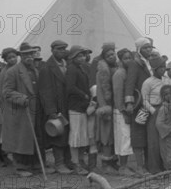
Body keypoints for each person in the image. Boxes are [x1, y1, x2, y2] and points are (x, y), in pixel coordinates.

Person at [1, 42, 45, 177]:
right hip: (20, 111)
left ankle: (35, 165)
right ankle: (20, 167)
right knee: (20, 139)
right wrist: (21, 98)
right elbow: (7, 92)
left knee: (35, 137)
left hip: (35, 110)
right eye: (26, 54)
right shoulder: (12, 71)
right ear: (21, 55)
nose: (29, 57)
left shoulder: (34, 70)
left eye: (31, 54)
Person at [38, 40, 73, 174]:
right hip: (56, 107)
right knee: (58, 135)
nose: (62, 51)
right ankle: (59, 163)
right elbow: (45, 91)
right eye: (59, 49)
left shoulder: (66, 64)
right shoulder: (47, 68)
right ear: (52, 50)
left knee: (68, 134)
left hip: (67, 105)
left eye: (64, 49)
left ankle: (68, 161)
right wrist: (51, 111)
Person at [124, 37, 153, 175]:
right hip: (140, 104)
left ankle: (149, 165)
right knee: (138, 134)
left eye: (150, 47)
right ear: (139, 49)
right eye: (146, 47)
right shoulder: (135, 64)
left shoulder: (150, 62)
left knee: (149, 134)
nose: (149, 50)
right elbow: (130, 82)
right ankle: (140, 166)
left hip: (151, 102)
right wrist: (129, 102)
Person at [141, 53, 171, 173]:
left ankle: (166, 166)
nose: (162, 70)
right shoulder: (148, 82)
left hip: (166, 110)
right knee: (153, 141)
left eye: (164, 67)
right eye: (160, 68)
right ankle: (154, 168)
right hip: (153, 111)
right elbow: (144, 100)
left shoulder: (167, 80)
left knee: (165, 139)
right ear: (154, 69)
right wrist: (153, 111)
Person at [65, 45, 92, 175]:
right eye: (79, 56)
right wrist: (83, 95)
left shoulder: (81, 68)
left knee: (82, 135)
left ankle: (81, 160)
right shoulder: (71, 69)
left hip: (82, 106)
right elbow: (70, 87)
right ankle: (75, 162)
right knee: (75, 135)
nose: (82, 58)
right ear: (73, 57)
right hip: (75, 106)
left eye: (83, 55)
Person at [96, 43, 119, 174]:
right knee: (106, 136)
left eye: (113, 54)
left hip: (114, 105)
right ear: (104, 57)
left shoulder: (115, 67)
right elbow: (101, 90)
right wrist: (104, 106)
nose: (112, 56)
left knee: (113, 134)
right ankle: (105, 163)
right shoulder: (102, 71)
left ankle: (113, 161)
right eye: (108, 55)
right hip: (106, 105)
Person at [112, 48, 135, 176]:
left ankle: (124, 165)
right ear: (120, 60)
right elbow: (118, 94)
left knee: (126, 136)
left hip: (125, 110)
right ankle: (123, 166)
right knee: (123, 137)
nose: (129, 60)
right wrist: (123, 110)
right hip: (120, 110)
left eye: (130, 58)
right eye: (126, 58)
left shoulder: (127, 72)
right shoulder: (119, 74)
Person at [156, 84, 171, 169]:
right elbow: (159, 123)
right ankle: (169, 170)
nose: (169, 96)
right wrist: (169, 129)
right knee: (168, 154)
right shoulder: (163, 109)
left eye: (170, 93)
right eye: (166, 94)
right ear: (163, 96)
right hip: (167, 135)